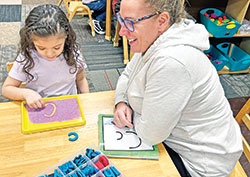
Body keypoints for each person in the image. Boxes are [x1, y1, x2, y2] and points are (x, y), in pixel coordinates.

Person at [113, 0, 243, 176]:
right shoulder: (155, 39)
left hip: (199, 165)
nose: (121, 31)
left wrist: (137, 112)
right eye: (121, 19)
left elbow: (150, 134)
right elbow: (127, 76)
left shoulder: (172, 61)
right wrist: (121, 101)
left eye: (130, 22)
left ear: (161, 21)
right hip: (176, 142)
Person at [1, 4, 89, 109]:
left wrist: (86, 100)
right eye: (41, 48)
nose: (50, 54)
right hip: (40, 107)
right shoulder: (27, 56)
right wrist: (26, 94)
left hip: (68, 105)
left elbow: (81, 79)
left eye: (57, 47)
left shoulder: (72, 51)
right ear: (31, 39)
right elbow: (6, 89)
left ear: (66, 35)